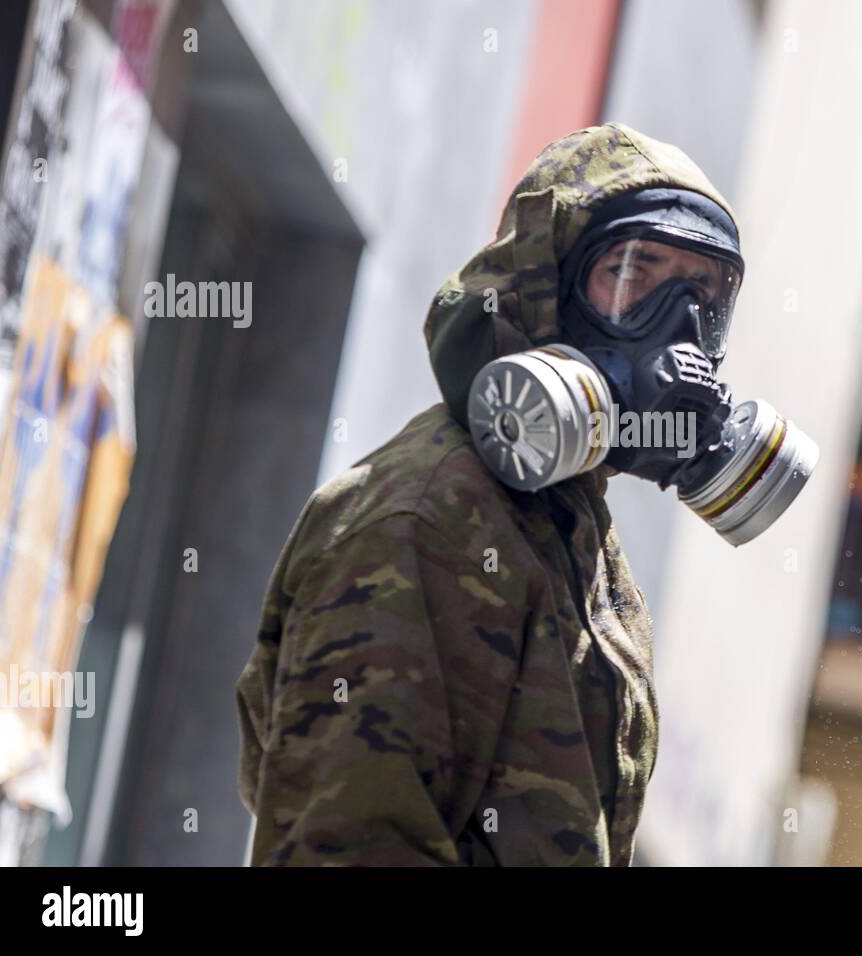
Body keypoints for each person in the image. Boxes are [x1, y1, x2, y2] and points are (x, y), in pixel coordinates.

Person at [234, 123, 745, 866]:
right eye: (636, 272)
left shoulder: (570, 534)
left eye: (701, 295)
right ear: (548, 285)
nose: (678, 331)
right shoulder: (427, 515)